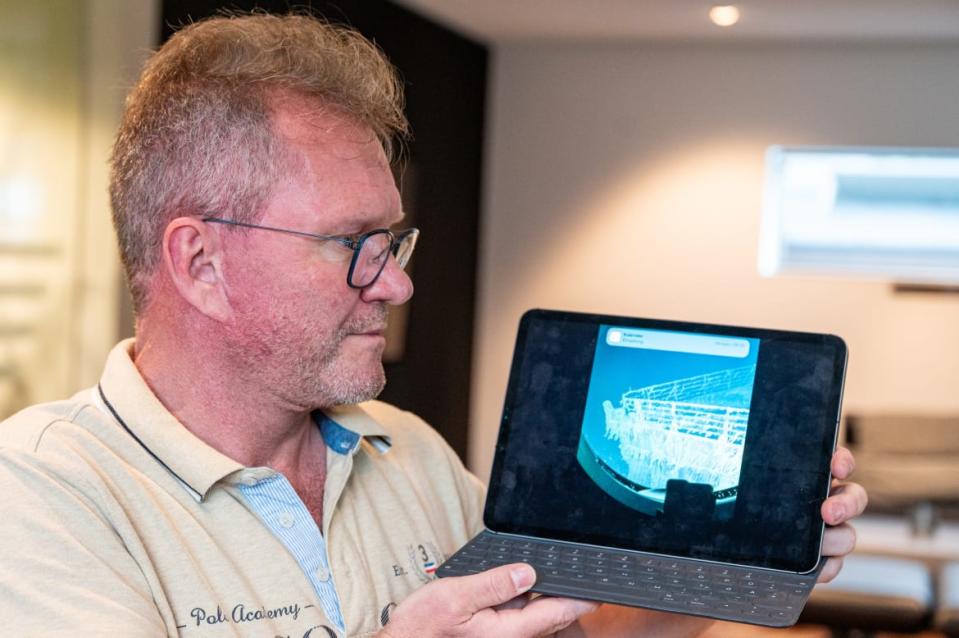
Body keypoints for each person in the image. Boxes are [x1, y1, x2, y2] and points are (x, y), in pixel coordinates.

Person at [0, 13, 866, 637]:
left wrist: (735, 563)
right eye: (353, 244)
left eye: (393, 240)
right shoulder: (40, 498)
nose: (399, 284)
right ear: (200, 263)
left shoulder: (405, 453)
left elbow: (574, 633)